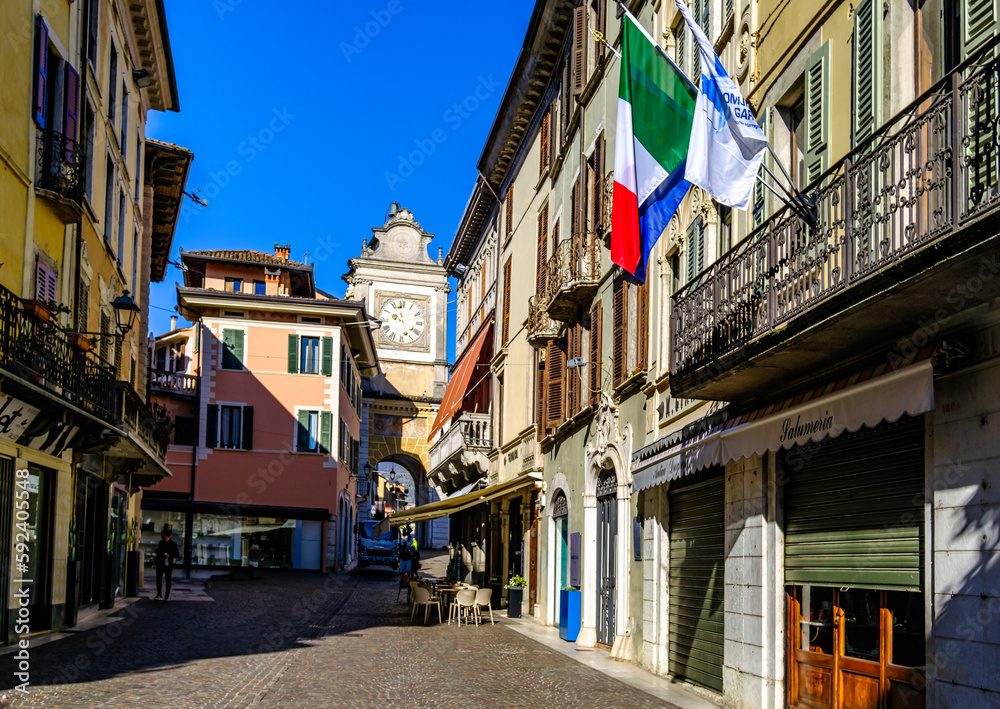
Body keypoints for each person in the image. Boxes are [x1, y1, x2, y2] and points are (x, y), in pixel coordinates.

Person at [154, 527, 180, 601]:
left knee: (168, 579)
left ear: (165, 535)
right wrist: (155, 561)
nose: (161, 535)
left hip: (168, 564)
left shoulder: (173, 544)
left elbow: (177, 554)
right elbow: (158, 552)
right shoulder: (161, 543)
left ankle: (167, 595)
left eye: (162, 534)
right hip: (160, 563)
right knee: (158, 579)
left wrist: (169, 556)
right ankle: (159, 594)